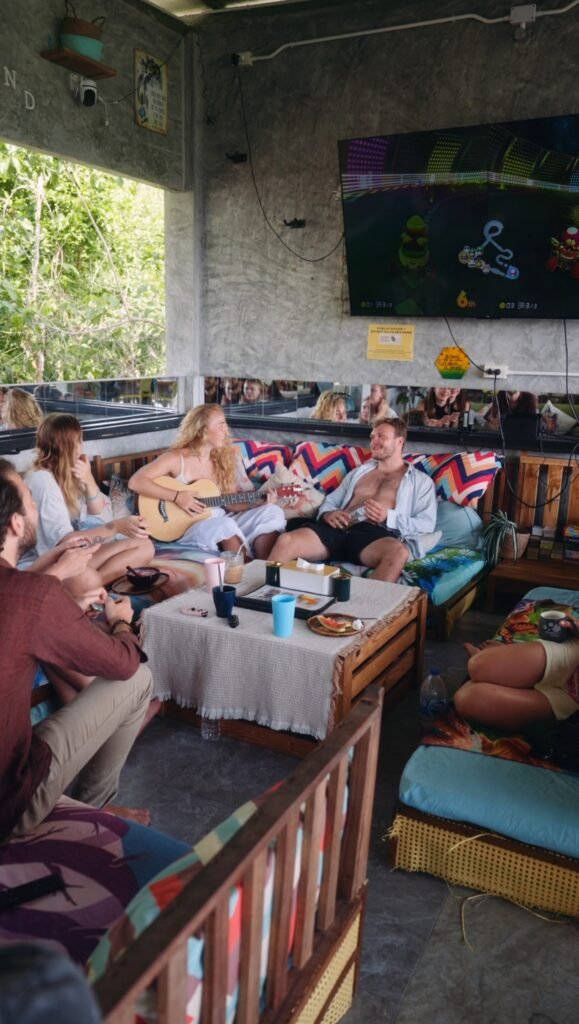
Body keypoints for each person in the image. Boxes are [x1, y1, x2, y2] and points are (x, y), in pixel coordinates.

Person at [0, 458, 153, 841]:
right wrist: (120, 622)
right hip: (10, 802)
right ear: (16, 523)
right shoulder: (32, 596)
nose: (35, 504)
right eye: (29, 500)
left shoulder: (28, 592)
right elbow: (120, 663)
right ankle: (91, 812)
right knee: (138, 678)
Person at [267, 417, 436, 582]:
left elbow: (426, 524)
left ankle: (364, 609)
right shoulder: (359, 472)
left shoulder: (419, 481)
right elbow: (332, 501)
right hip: (337, 529)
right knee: (286, 541)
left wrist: (388, 517)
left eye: (381, 436)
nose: (374, 441)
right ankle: (260, 597)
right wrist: (328, 515)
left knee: (398, 553)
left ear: (399, 442)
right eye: (372, 437)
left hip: (373, 535)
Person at [128, 404, 285, 560]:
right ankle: (246, 573)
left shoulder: (222, 462)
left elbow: (230, 503)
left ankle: (266, 568)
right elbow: (136, 482)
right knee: (223, 525)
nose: (227, 431)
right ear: (203, 431)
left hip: (216, 516)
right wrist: (177, 497)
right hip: (187, 528)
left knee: (272, 512)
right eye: (220, 426)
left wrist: (256, 503)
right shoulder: (176, 459)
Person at [24, 414, 154, 586]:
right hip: (50, 563)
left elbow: (97, 511)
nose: (81, 446)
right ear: (66, 445)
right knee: (140, 547)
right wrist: (116, 527)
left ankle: (90, 586)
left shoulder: (68, 473)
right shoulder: (42, 480)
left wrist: (89, 480)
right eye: (78, 440)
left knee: (144, 546)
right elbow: (67, 542)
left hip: (72, 553)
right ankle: (82, 588)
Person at [455, 627, 579, 731]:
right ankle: (506, 660)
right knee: (476, 665)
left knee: (464, 697)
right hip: (573, 658)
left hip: (572, 703)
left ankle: (517, 675)